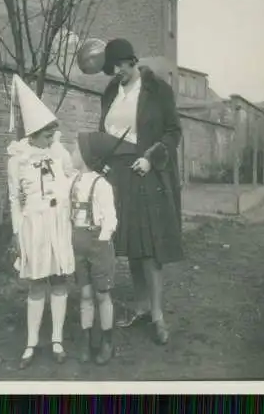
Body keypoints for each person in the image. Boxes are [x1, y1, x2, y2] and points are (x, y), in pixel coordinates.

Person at [98, 38, 184, 345]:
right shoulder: (110, 92)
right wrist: (103, 162)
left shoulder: (157, 89)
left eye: (120, 65)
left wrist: (151, 158)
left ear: (132, 61)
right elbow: (103, 132)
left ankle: (158, 315)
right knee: (131, 244)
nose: (116, 71)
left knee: (149, 247)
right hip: (118, 175)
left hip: (146, 171)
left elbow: (173, 132)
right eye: (112, 67)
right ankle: (141, 307)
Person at [7, 75, 75, 370]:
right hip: (32, 225)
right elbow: (14, 199)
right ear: (33, 133)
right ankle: (31, 341)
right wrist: (16, 232)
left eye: (53, 135)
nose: (52, 140)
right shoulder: (17, 159)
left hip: (59, 223)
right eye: (47, 136)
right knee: (37, 284)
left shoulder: (59, 153)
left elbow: (72, 182)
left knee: (59, 279)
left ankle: (57, 337)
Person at [69, 132, 119, 365]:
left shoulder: (102, 185)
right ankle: (87, 338)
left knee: (101, 294)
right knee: (85, 294)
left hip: (97, 244)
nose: (70, 154)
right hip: (77, 244)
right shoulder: (73, 181)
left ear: (85, 156)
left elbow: (111, 219)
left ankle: (107, 340)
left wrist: (102, 239)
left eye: (74, 150)